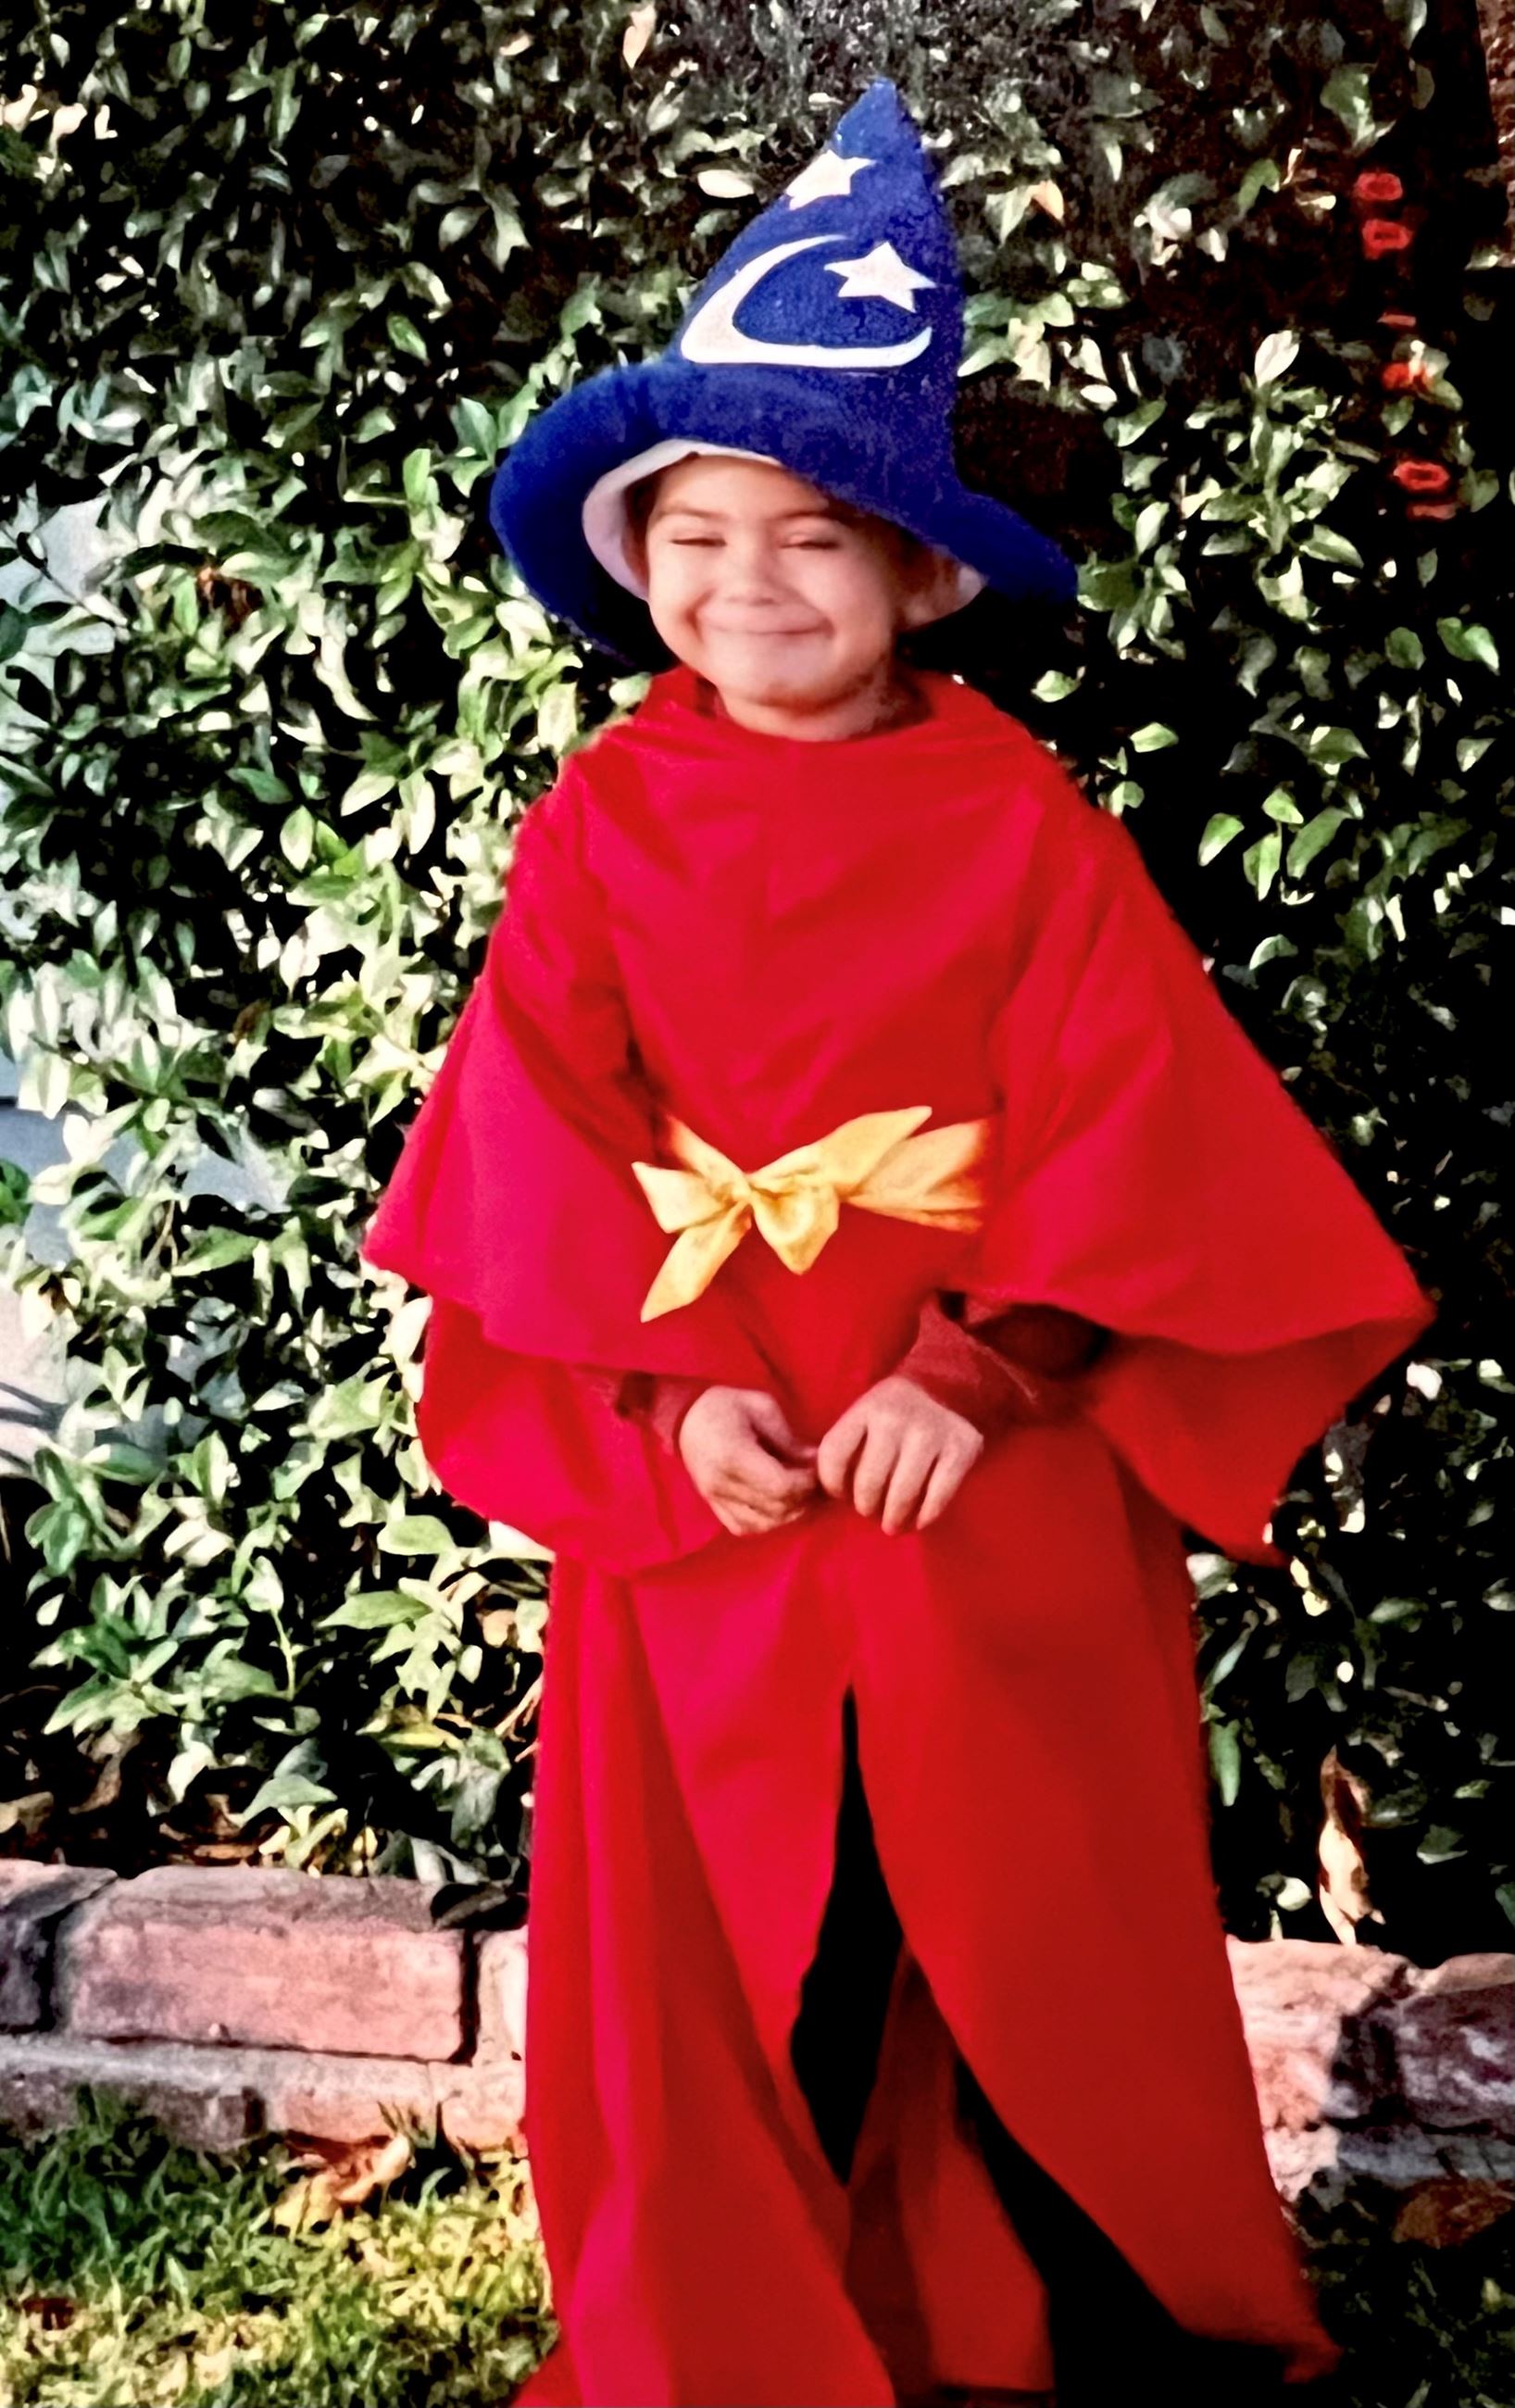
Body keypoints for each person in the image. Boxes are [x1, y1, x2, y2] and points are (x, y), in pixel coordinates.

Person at [360, 80, 1433, 2408]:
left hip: (980, 1472)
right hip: (720, 1484)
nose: (747, 587)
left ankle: (1102, 2322)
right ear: (633, 555)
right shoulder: (598, 831)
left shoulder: (1021, 826)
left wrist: (981, 1370)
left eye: (812, 542)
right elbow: (526, 1148)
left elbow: (1147, 1137)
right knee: (781, 1925)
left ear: (924, 574)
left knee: (1022, 1910)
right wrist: (658, 1407)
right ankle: (764, 2331)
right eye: (697, 535)